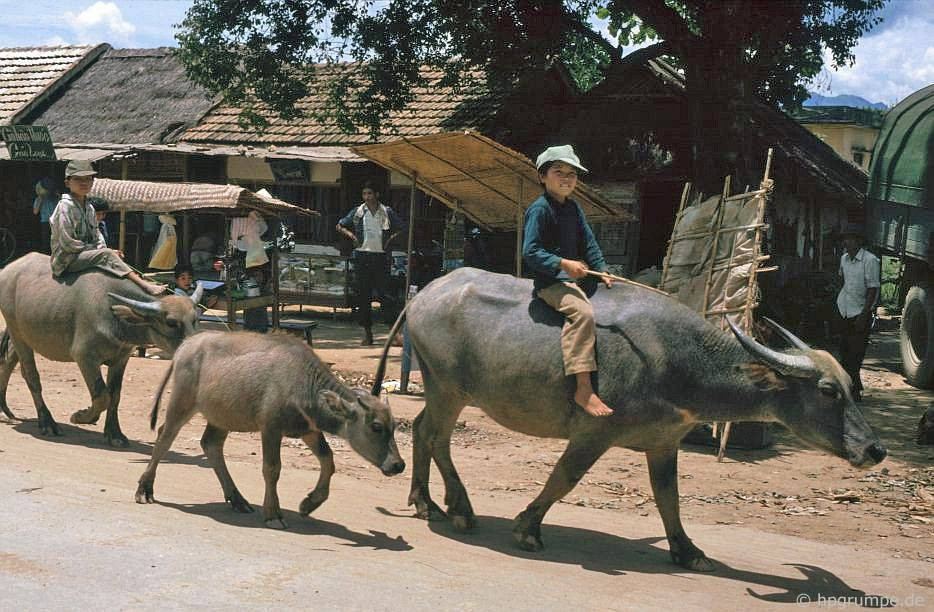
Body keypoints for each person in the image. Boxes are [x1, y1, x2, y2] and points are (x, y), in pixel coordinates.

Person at [523, 145, 614, 418]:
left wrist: (602, 269)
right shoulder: (539, 210)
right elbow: (531, 251)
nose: (566, 178)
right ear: (542, 177)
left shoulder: (573, 208)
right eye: (558, 172)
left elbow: (589, 243)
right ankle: (583, 388)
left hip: (579, 279)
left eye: (572, 174)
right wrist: (563, 264)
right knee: (583, 313)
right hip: (551, 283)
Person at [49, 160, 165, 295]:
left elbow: (96, 236)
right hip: (67, 260)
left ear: (92, 182)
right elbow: (68, 243)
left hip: (85, 255)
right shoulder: (65, 207)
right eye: (78, 179)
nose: (84, 183)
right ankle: (143, 285)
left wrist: (103, 250)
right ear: (67, 183)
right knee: (107, 254)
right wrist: (102, 252)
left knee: (113, 254)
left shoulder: (89, 208)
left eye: (88, 179)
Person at [337, 181, 405, 345]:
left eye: (370, 193)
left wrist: (389, 241)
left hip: (381, 258)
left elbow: (402, 227)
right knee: (363, 297)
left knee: (386, 296)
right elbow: (340, 225)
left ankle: (394, 334)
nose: (367, 197)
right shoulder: (358, 212)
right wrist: (352, 236)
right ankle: (367, 334)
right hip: (362, 257)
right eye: (365, 194)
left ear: (377, 195)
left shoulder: (386, 212)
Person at [836, 225, 880, 402]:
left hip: (860, 312)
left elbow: (873, 289)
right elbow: (843, 281)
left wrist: (864, 314)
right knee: (844, 351)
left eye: (851, 239)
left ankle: (853, 390)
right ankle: (851, 387)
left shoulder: (870, 260)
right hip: (844, 309)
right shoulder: (844, 259)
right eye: (845, 239)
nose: (847, 242)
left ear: (859, 242)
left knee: (856, 352)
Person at [32, 177, 58, 254]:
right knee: (46, 242)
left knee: (56, 242)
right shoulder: (38, 199)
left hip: (56, 222)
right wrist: (41, 198)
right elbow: (35, 212)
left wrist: (58, 195)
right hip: (45, 222)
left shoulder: (55, 197)